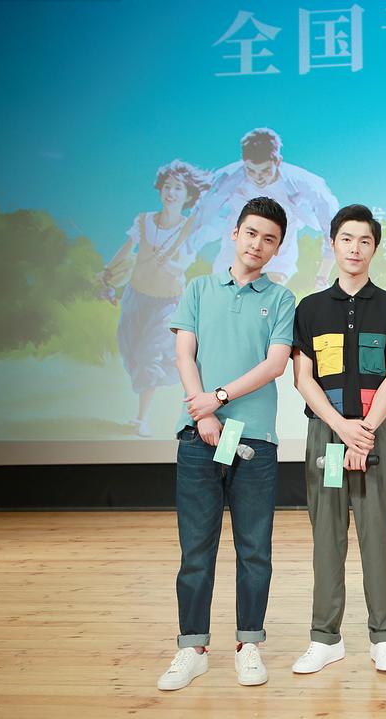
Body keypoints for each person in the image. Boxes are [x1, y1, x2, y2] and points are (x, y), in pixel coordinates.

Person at [155, 197, 296, 691]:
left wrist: (218, 398)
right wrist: (205, 412)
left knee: (255, 549)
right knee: (196, 549)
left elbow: (274, 364)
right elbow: (184, 354)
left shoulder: (281, 299)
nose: (258, 244)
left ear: (277, 248)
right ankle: (191, 647)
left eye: (269, 239)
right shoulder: (198, 288)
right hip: (198, 436)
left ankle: (248, 644)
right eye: (251, 233)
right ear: (235, 234)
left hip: (255, 441)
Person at [290, 204, 386, 675]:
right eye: (347, 239)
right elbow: (303, 378)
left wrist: (362, 432)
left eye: (365, 240)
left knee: (377, 537)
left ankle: (384, 637)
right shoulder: (310, 308)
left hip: (374, 434)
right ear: (333, 243)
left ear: (374, 248)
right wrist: (341, 428)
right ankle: (325, 638)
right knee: (326, 536)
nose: (355, 248)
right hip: (325, 434)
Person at [101, 160, 212, 436]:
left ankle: (141, 419)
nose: (171, 193)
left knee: (149, 354)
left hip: (168, 303)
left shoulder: (189, 228)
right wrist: (107, 272)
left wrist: (169, 264)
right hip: (136, 297)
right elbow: (127, 248)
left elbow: (184, 263)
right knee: (130, 350)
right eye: (167, 187)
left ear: (188, 195)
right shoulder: (144, 220)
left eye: (178, 188)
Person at [183, 127, 338, 288]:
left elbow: (332, 226)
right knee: (228, 293)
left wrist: (323, 275)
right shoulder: (228, 177)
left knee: (263, 293)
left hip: (278, 250)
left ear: (278, 162)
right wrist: (178, 256)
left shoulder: (305, 184)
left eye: (265, 171)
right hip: (235, 249)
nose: (258, 178)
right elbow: (200, 214)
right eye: (251, 170)